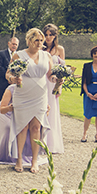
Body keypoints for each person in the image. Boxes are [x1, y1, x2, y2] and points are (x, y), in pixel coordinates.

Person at [7, 28, 61, 173]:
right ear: (29, 40)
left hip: (40, 96)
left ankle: (34, 160)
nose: (39, 43)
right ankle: (19, 159)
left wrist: (57, 79)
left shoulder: (46, 56)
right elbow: (8, 74)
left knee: (36, 127)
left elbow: (50, 76)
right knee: (22, 127)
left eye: (41, 40)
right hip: (22, 95)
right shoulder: (19, 55)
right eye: (36, 40)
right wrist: (13, 79)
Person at [0, 84, 47, 167]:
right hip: (7, 114)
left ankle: (33, 159)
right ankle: (9, 156)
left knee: (35, 127)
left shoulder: (36, 89)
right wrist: (10, 108)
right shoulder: (11, 89)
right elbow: (2, 109)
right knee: (10, 128)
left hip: (24, 115)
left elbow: (44, 111)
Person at [42, 24, 66, 154]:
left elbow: (63, 69)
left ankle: (52, 144)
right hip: (42, 82)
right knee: (42, 109)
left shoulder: (60, 49)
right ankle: (41, 141)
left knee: (53, 111)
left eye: (50, 34)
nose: (48, 37)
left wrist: (60, 85)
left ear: (55, 35)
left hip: (54, 83)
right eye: (46, 34)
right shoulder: (41, 48)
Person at [0, 37, 19, 126]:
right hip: (2, 83)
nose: (14, 46)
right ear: (9, 43)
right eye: (13, 44)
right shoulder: (1, 53)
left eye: (16, 44)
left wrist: (13, 80)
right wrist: (9, 78)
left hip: (13, 85)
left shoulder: (19, 56)